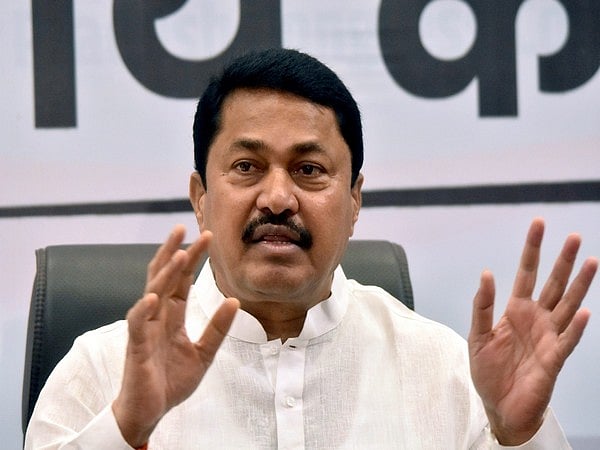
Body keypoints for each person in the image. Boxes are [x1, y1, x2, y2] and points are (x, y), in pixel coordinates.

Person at [25, 48, 597, 449]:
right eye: (246, 166)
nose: (278, 198)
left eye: (309, 169)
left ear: (354, 201)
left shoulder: (447, 373)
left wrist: (518, 436)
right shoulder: (99, 372)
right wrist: (126, 427)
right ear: (200, 198)